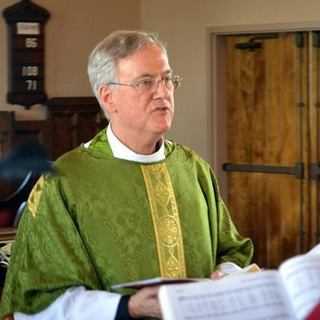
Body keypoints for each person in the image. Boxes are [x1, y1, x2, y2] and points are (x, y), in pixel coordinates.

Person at [0, 30, 253, 320]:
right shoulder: (63, 182)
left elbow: (232, 252)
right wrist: (128, 307)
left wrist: (225, 276)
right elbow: (37, 300)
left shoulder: (193, 168)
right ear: (109, 98)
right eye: (146, 82)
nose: (163, 93)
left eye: (167, 79)